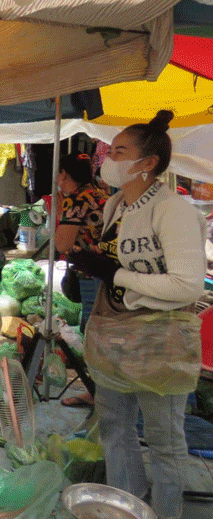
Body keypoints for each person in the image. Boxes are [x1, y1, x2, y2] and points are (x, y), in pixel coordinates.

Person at [67, 111, 205, 519]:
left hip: (161, 343)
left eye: (119, 152)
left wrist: (116, 274)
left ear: (148, 163)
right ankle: (126, 508)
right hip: (116, 336)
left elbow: (187, 286)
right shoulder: (115, 204)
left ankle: (165, 513)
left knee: (165, 443)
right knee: (115, 428)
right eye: (110, 150)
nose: (107, 158)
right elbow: (123, 263)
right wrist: (98, 263)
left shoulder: (173, 210)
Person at [53, 152, 107, 409]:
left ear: (64, 174)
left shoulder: (76, 199)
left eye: (59, 174)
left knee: (94, 334)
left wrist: (60, 211)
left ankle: (99, 394)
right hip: (108, 272)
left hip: (93, 273)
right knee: (100, 332)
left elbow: (61, 243)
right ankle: (101, 392)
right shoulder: (99, 193)